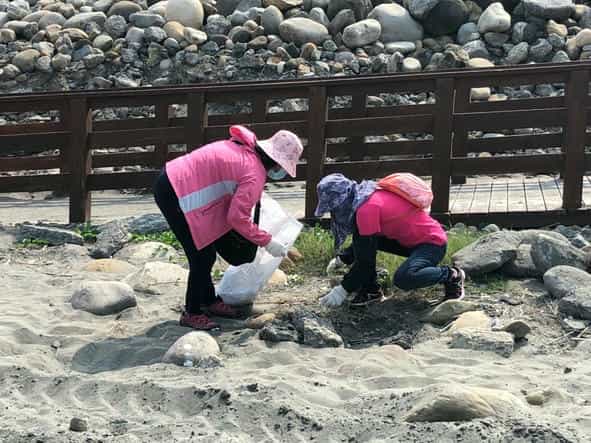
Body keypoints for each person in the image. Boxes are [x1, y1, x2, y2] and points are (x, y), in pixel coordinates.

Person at [153, 125, 303, 330]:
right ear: (277, 164)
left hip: (173, 180)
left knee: (205, 249)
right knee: (201, 256)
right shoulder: (254, 172)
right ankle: (192, 312)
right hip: (175, 191)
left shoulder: (245, 149)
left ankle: (209, 300)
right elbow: (237, 218)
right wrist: (268, 242)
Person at [314, 173, 465, 308]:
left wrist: (342, 290)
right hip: (409, 241)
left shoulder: (366, 210)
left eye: (334, 208)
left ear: (343, 200)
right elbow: (364, 245)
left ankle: (451, 275)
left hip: (432, 243)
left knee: (404, 278)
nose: (334, 212)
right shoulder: (365, 195)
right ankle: (371, 291)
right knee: (363, 241)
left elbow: (365, 263)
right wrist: (344, 257)